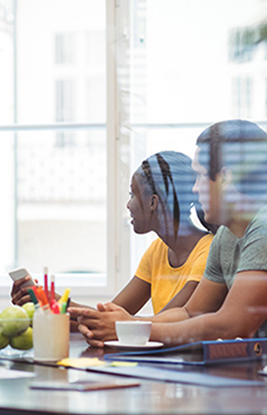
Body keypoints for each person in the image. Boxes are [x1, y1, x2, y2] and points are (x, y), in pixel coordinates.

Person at [70, 119, 267, 347]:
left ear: (224, 178)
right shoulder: (225, 237)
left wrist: (131, 329)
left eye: (201, 176)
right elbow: (191, 313)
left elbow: (232, 324)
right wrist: (127, 326)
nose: (195, 188)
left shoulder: (263, 230)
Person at [12, 151, 215, 318]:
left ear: (153, 202)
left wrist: (54, 301)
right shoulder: (157, 250)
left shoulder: (208, 252)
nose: (128, 204)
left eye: (132, 195)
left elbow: (161, 324)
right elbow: (109, 315)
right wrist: (46, 302)